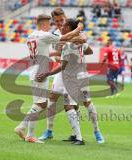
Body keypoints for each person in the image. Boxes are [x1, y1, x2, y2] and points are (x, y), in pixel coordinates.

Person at [14, 14, 84, 144]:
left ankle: (22, 127)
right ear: (44, 24)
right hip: (41, 72)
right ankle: (29, 135)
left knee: (41, 103)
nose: (50, 26)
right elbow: (66, 37)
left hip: (34, 69)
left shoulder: (30, 36)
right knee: (40, 104)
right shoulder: (44, 35)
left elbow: (52, 45)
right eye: (48, 24)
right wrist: (79, 28)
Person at [39, 8, 104, 144]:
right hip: (64, 71)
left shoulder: (71, 28)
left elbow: (84, 40)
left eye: (61, 20)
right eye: (56, 21)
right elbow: (59, 53)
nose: (59, 23)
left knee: (83, 102)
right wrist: (60, 52)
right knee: (53, 97)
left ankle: (95, 131)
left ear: (65, 18)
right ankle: (49, 131)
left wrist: (71, 50)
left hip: (73, 71)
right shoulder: (56, 33)